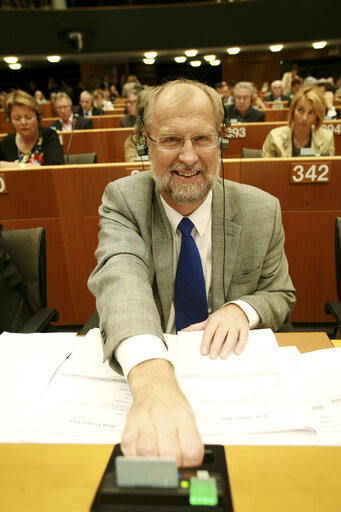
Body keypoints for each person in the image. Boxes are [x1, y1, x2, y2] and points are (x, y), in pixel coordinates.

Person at [88, 78, 296, 467]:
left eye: (202, 138)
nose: (188, 157)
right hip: (145, 376)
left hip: (231, 386)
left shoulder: (262, 210)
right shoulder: (123, 200)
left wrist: (241, 309)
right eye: (170, 140)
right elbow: (122, 280)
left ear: (221, 141)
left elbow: (279, 294)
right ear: (143, 143)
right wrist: (153, 383)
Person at [262, 85, 335, 157]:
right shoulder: (275, 138)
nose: (304, 118)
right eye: (300, 110)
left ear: (317, 116)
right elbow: (266, 168)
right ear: (293, 111)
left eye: (311, 112)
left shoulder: (327, 139)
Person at [0, 90, 64, 167]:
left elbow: (56, 168)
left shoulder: (49, 136)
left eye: (28, 118)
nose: (23, 122)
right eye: (17, 119)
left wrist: (16, 166)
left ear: (38, 117)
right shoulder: (6, 143)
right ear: (10, 121)